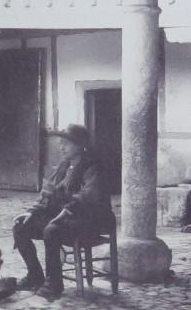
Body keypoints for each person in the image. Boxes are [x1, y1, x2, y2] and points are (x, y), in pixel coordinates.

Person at [12, 124, 115, 301]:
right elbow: (49, 193)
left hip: (90, 221)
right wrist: (33, 212)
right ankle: (35, 275)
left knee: (51, 230)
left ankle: (54, 285)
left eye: (66, 143)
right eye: (61, 143)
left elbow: (87, 198)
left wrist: (60, 214)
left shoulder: (93, 167)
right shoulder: (64, 166)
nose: (61, 146)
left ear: (80, 145)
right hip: (66, 217)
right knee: (21, 227)